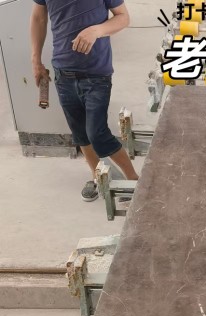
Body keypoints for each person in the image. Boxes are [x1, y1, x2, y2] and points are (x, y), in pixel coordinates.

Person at [30, 0, 138, 202]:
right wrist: (36, 60)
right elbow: (38, 17)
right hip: (63, 73)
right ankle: (97, 177)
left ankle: (134, 180)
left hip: (96, 74)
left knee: (97, 133)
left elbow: (123, 17)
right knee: (80, 133)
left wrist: (97, 30)